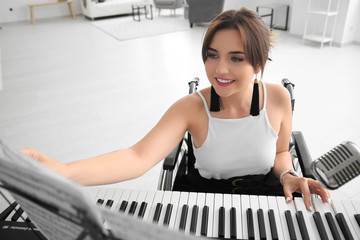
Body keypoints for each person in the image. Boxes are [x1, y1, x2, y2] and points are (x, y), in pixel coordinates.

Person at [22, 7, 329, 211]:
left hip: (263, 196)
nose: (219, 68)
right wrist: (62, 172)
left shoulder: (277, 98)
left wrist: (288, 173)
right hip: (205, 197)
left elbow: (278, 152)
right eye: (211, 55)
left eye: (236, 58)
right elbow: (136, 157)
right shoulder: (190, 108)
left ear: (259, 63)